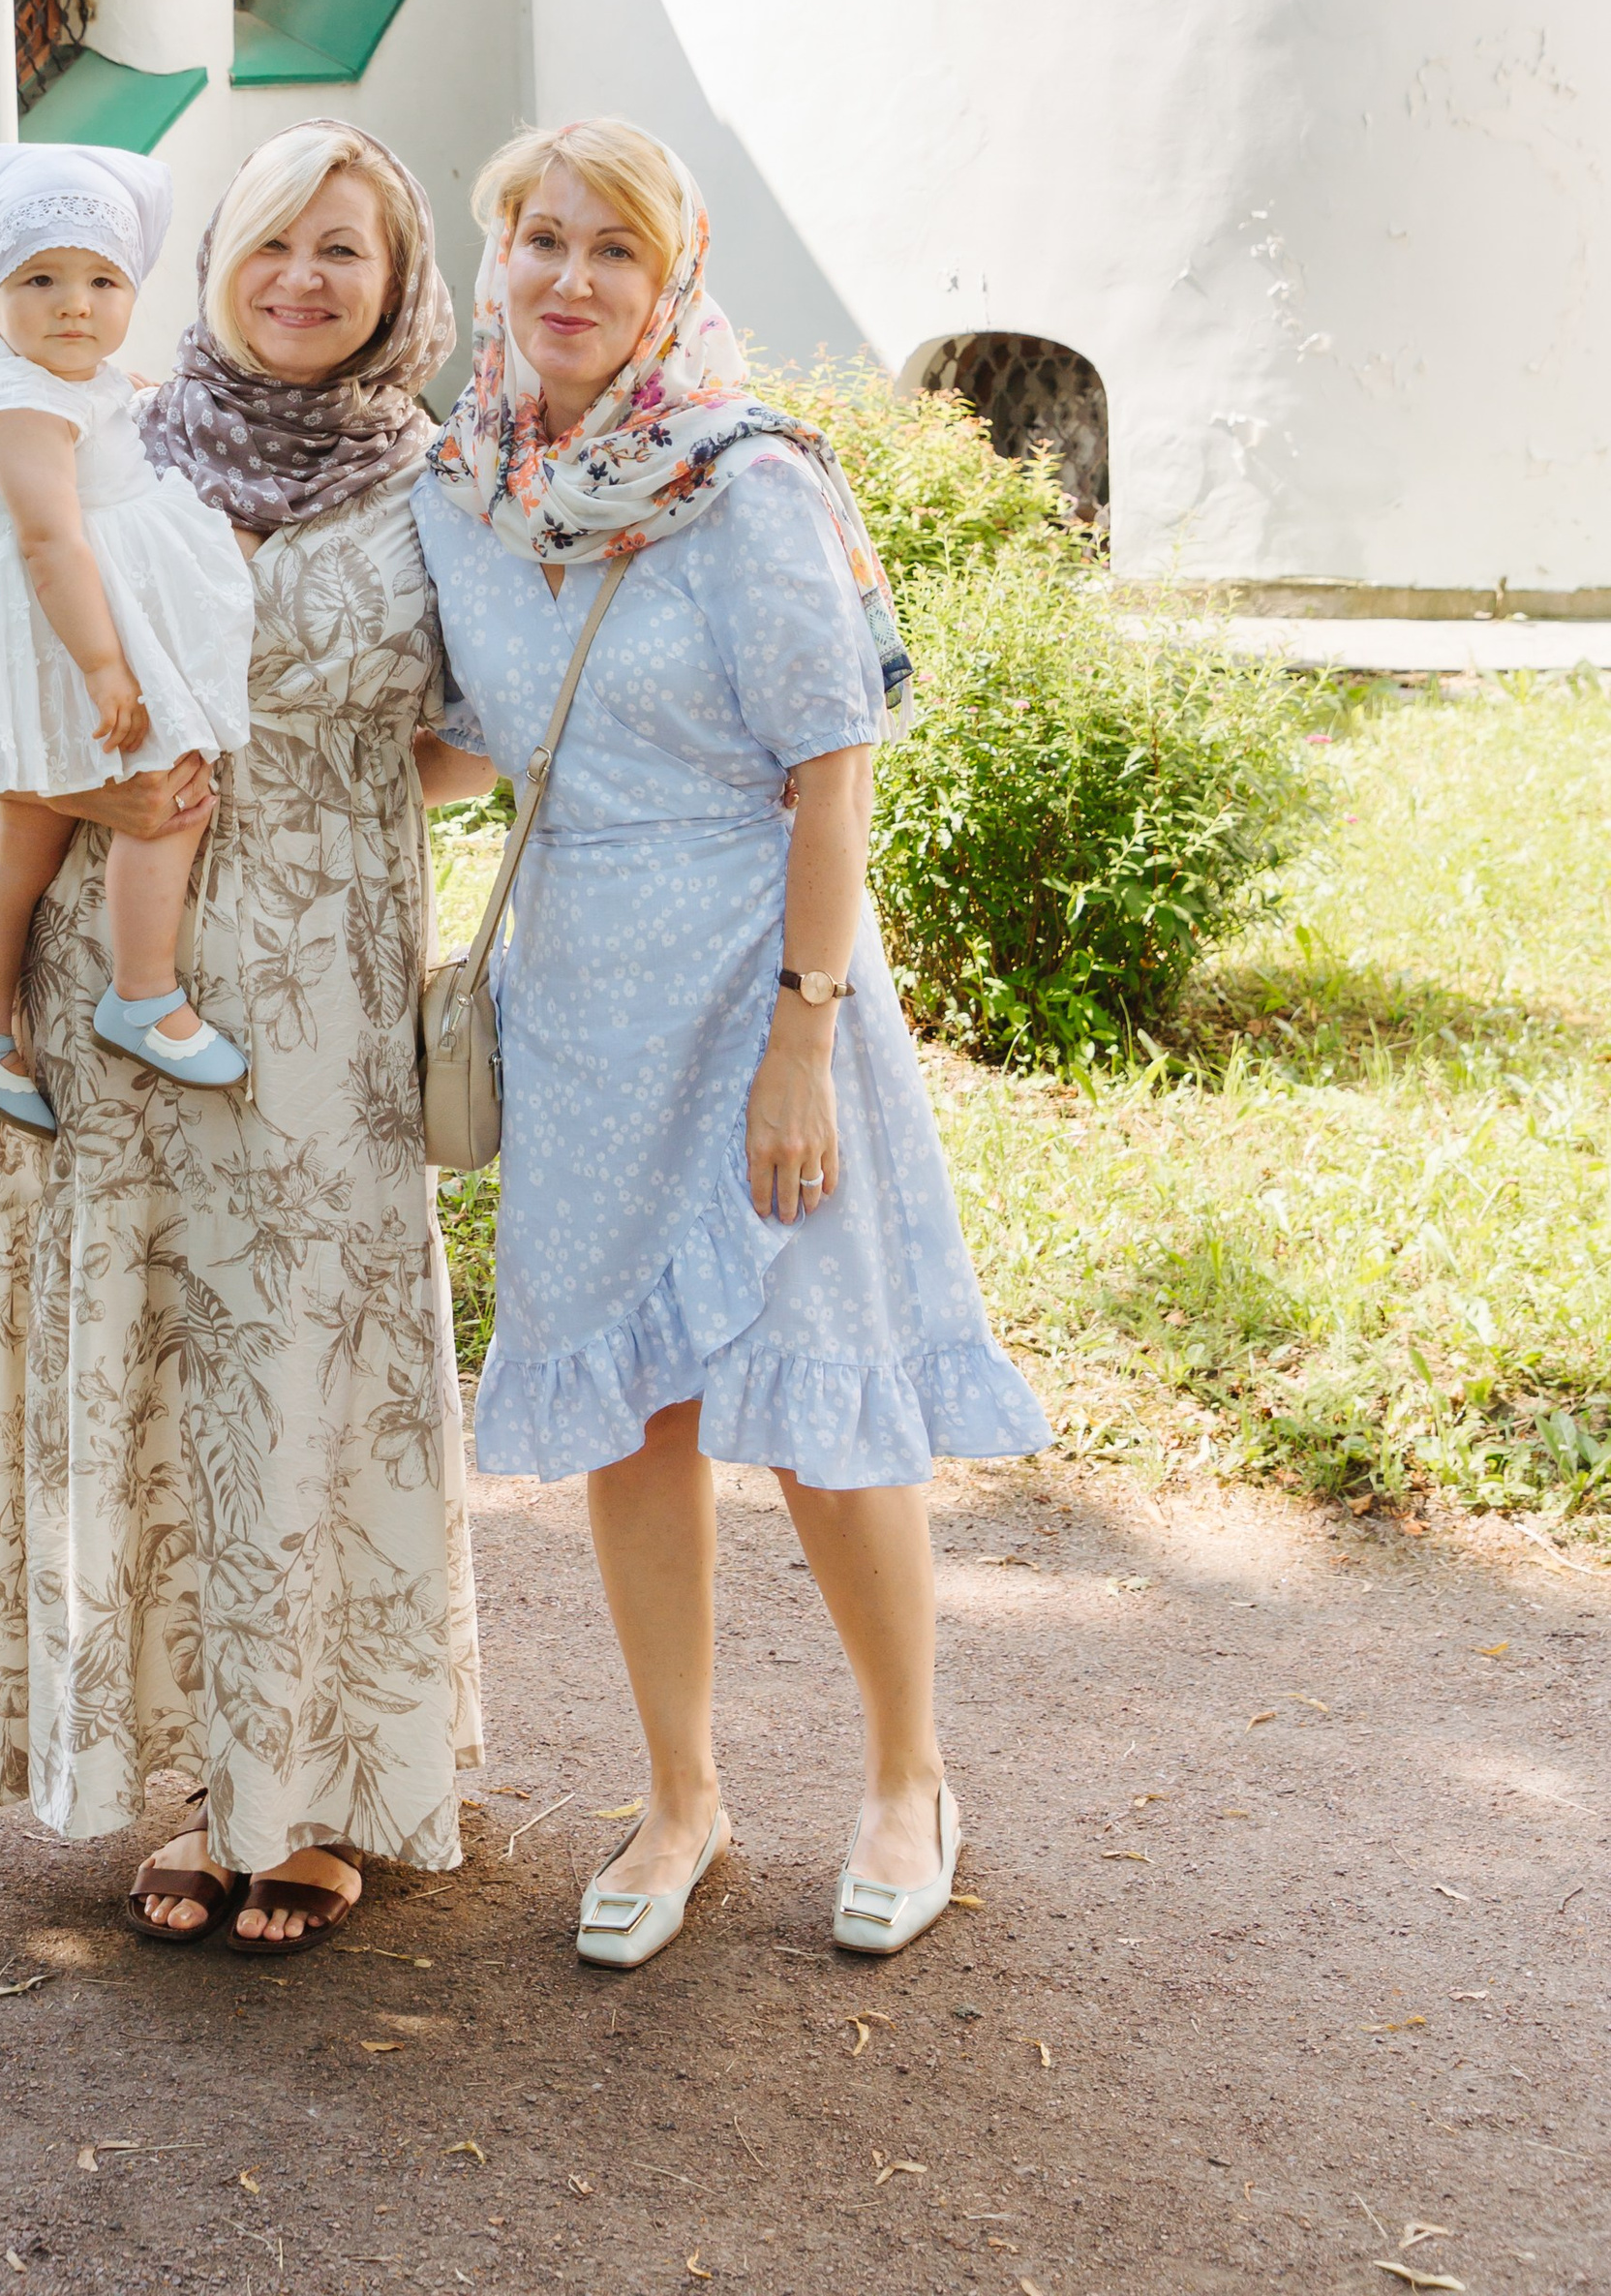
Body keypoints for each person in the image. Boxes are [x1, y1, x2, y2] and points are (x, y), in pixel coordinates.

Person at [413, 118, 1049, 1971]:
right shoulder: (468, 488)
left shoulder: (747, 482)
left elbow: (828, 773)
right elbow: (487, 745)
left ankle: (907, 1776)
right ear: (500, 255)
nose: (571, 280)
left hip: (766, 973)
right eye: (541, 238)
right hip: (587, 990)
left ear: (671, 275)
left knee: (825, 1397)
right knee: (636, 1411)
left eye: (616, 249)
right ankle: (682, 1797)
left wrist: (803, 1033)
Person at [0, 121, 491, 1954]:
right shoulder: (114, 432)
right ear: (218, 262)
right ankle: (184, 1785)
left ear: (398, 281)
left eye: (344, 250)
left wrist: (333, 796)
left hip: (328, 977)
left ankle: (313, 1786)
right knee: (154, 1341)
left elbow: (478, 719)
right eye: (271, 243)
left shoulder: (440, 476)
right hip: (120, 961)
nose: (303, 280)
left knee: (306, 1356)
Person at [0, 142, 257, 1126]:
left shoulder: (59, 372)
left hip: (51, 626)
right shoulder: (21, 399)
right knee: (163, 792)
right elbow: (49, 541)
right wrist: (108, 666)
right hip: (58, 634)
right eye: (39, 279)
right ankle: (143, 993)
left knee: (22, 842)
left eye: (102, 280)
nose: (75, 304)